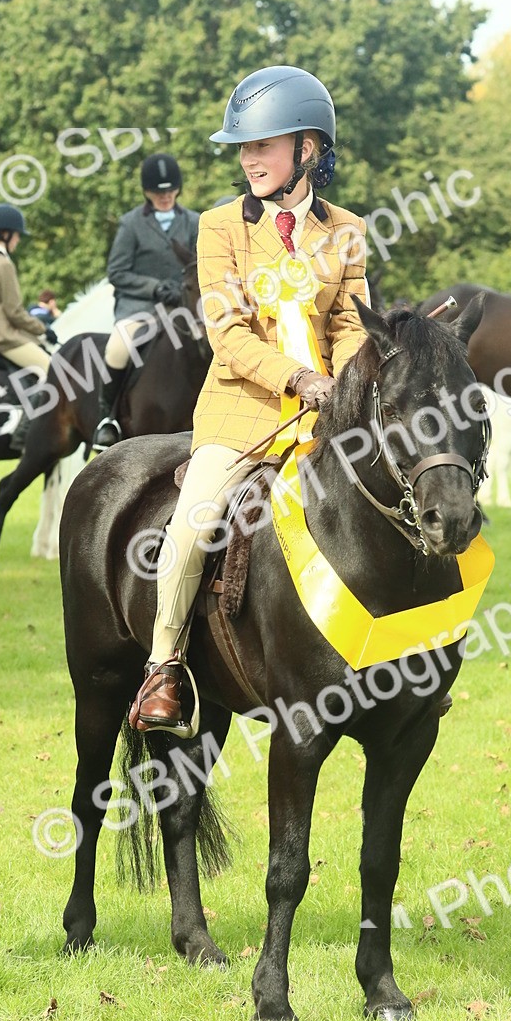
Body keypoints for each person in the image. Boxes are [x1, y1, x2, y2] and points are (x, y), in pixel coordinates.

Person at [129, 65, 368, 736]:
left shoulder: (346, 228)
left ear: (308, 149)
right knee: (188, 529)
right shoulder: (220, 227)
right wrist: (299, 380)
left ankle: (411, 661)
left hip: (331, 415)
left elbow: (350, 322)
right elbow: (228, 335)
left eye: (262, 144)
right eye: (244, 147)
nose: (249, 158)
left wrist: (342, 387)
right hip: (245, 412)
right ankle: (164, 670)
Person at [92, 152, 201, 450]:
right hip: (138, 308)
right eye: (158, 192)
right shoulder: (130, 224)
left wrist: (180, 288)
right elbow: (117, 272)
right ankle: (108, 419)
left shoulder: (194, 221)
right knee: (118, 345)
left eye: (169, 191)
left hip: (180, 309)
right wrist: (154, 288)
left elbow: (200, 265)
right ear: (146, 192)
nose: (165, 197)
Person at [0, 203, 51, 450]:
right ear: (5, 234)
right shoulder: (4, 264)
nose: (18, 240)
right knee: (51, 369)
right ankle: (23, 433)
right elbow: (14, 312)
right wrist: (42, 328)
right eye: (17, 235)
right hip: (2, 336)